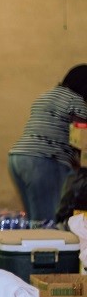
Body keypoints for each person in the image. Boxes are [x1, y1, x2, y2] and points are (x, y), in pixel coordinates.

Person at [9, 64, 87, 222]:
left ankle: (34, 243)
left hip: (18, 158)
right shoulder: (77, 101)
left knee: (35, 219)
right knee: (47, 221)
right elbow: (80, 137)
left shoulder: (47, 95)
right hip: (44, 161)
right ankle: (44, 247)